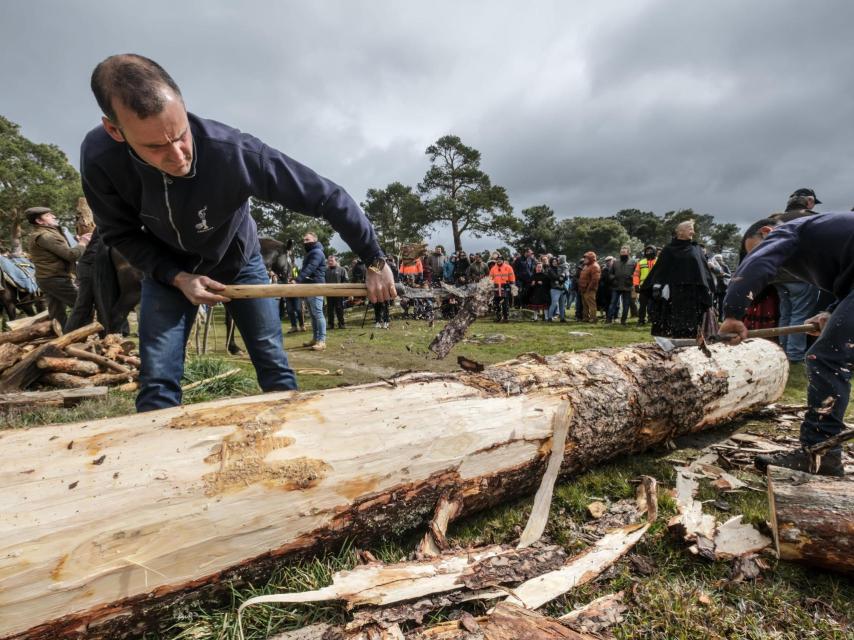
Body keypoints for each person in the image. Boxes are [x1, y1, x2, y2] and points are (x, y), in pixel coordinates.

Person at [82, 54, 394, 411]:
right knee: (158, 382)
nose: (178, 155)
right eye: (155, 146)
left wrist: (373, 259)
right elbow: (119, 234)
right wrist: (176, 276)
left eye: (181, 135)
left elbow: (326, 196)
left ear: (183, 104)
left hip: (240, 263)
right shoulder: (100, 159)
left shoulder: (233, 153)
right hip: (167, 272)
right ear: (114, 131)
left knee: (273, 365)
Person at [720, 214, 853, 477]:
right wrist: (832, 311)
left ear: (767, 233)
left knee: (826, 358)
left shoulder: (789, 230)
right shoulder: (824, 234)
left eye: (756, 249)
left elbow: (757, 262)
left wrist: (733, 314)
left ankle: (819, 452)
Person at [642, 220, 715, 338]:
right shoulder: (668, 249)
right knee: (674, 322)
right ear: (680, 232)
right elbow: (660, 270)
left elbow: (703, 270)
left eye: (693, 228)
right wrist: (659, 286)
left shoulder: (696, 249)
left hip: (693, 293)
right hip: (675, 292)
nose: (693, 232)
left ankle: (693, 341)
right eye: (690, 228)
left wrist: (708, 287)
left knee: (693, 323)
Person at [25, 206, 91, 328]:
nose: (54, 216)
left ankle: (62, 341)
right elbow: (71, 255)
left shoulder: (47, 233)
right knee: (85, 307)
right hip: (55, 279)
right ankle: (75, 336)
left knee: (57, 315)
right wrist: (83, 242)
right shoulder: (46, 236)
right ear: (39, 221)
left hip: (47, 279)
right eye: (48, 215)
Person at [297, 233, 327, 350]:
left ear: (315, 239)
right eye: (304, 240)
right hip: (309, 286)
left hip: (316, 286)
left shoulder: (317, 252)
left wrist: (298, 280)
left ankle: (322, 340)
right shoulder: (311, 252)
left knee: (318, 314)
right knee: (313, 316)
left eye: (307, 239)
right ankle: (315, 338)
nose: (305, 242)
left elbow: (311, 267)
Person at [606, 246, 635, 325]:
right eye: (621, 252)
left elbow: (636, 274)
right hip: (616, 286)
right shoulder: (615, 262)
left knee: (626, 305)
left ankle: (623, 321)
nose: (622, 253)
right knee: (612, 304)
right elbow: (610, 274)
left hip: (627, 286)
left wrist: (631, 278)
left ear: (628, 252)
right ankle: (608, 320)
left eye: (624, 252)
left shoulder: (633, 262)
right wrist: (613, 279)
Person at [633, 245, 657, 326]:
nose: (648, 253)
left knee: (654, 305)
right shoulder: (641, 262)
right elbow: (636, 275)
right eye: (647, 251)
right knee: (642, 305)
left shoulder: (659, 261)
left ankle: (653, 320)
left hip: (655, 286)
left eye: (650, 251)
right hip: (643, 287)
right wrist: (636, 285)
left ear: (654, 252)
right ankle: (641, 320)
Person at [489, 254, 515, 322]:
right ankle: (498, 317)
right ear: (496, 260)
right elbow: (490, 278)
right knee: (496, 304)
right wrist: (490, 285)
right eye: (498, 260)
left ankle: (506, 318)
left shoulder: (508, 267)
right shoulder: (493, 268)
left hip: (505, 287)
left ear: (503, 260)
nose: (499, 261)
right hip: (496, 287)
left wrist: (512, 285)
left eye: (500, 260)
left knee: (505, 304)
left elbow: (512, 277)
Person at [325, 254, 348, 330]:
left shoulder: (342, 269)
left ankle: (341, 324)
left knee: (339, 309)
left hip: (339, 294)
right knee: (330, 310)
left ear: (335, 261)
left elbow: (346, 281)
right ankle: (330, 325)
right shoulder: (326, 271)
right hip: (329, 294)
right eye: (329, 261)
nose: (330, 262)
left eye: (332, 261)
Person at [578, 252, 600, 323]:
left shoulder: (595, 266)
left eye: (586, 258)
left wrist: (589, 289)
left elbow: (595, 280)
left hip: (589, 289)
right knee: (585, 305)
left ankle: (593, 318)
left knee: (591, 305)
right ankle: (585, 318)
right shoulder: (586, 266)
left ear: (591, 258)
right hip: (584, 289)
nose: (584, 259)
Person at [546, 256, 567, 322]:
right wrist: (561, 277)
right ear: (551, 262)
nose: (555, 263)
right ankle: (549, 317)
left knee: (562, 305)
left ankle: (562, 318)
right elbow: (554, 277)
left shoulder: (560, 268)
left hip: (562, 288)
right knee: (554, 303)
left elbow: (565, 277)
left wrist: (560, 279)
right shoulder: (550, 269)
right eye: (553, 261)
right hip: (554, 289)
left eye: (556, 261)